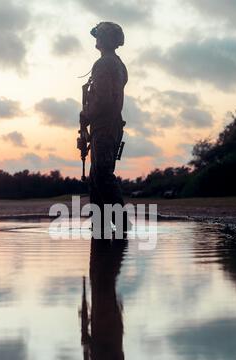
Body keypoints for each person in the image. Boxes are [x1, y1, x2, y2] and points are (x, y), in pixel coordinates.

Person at [80, 22, 130, 234]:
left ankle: (120, 226)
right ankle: (100, 228)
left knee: (101, 175)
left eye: (99, 35)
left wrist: (86, 115)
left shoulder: (103, 64)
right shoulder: (117, 64)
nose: (96, 39)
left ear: (108, 39)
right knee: (96, 177)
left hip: (104, 125)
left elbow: (103, 100)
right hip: (111, 124)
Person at [79, 238, 128, 360]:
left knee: (102, 277)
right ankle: (115, 239)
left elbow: (92, 353)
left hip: (108, 322)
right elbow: (89, 351)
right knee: (102, 277)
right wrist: (84, 322)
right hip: (105, 322)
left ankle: (113, 239)